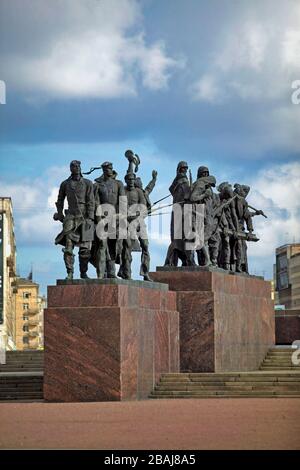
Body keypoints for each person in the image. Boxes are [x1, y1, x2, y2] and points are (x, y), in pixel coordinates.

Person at [53, 160, 95, 280]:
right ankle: (70, 272)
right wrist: (60, 214)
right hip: (71, 216)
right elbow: (60, 200)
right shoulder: (65, 184)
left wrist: (90, 218)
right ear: (70, 169)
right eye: (73, 166)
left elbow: (91, 201)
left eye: (77, 166)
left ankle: (83, 272)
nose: (76, 168)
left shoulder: (87, 183)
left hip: (86, 217)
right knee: (68, 247)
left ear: (80, 168)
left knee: (85, 248)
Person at [92, 162, 125, 279]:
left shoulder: (118, 184)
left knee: (112, 247)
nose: (109, 170)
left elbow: (123, 202)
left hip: (115, 220)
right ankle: (100, 274)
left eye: (110, 168)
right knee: (102, 246)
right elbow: (96, 202)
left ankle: (111, 272)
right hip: (102, 219)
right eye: (107, 169)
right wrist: (99, 218)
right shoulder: (98, 185)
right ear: (103, 170)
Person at [164, 161, 195, 266]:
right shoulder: (181, 181)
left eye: (186, 169)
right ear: (179, 169)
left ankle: (186, 260)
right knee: (179, 239)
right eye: (183, 168)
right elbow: (187, 197)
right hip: (180, 211)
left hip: (182, 211)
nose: (185, 170)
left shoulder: (179, 181)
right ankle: (172, 261)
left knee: (184, 238)